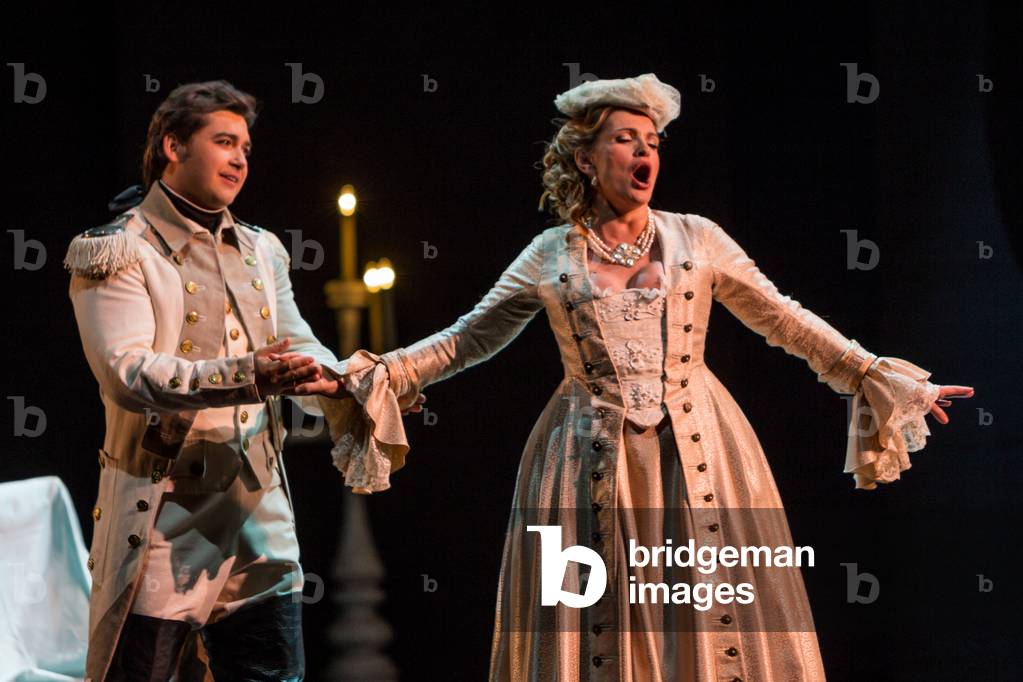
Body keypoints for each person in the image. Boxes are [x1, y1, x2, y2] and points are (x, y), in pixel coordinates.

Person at [291, 74, 974, 681]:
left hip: (699, 449)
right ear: (585, 159)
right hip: (583, 457)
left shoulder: (696, 237)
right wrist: (366, 378)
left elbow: (783, 319)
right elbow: (468, 338)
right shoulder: (550, 254)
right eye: (625, 139)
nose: (646, 153)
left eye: (652, 140)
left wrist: (876, 376)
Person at [63, 80, 414, 681]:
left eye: (245, 147)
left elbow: (297, 337)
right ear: (173, 146)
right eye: (223, 142)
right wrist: (248, 375)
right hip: (163, 517)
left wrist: (342, 377)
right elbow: (129, 373)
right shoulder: (116, 250)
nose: (240, 159)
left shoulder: (261, 250)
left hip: (258, 516)